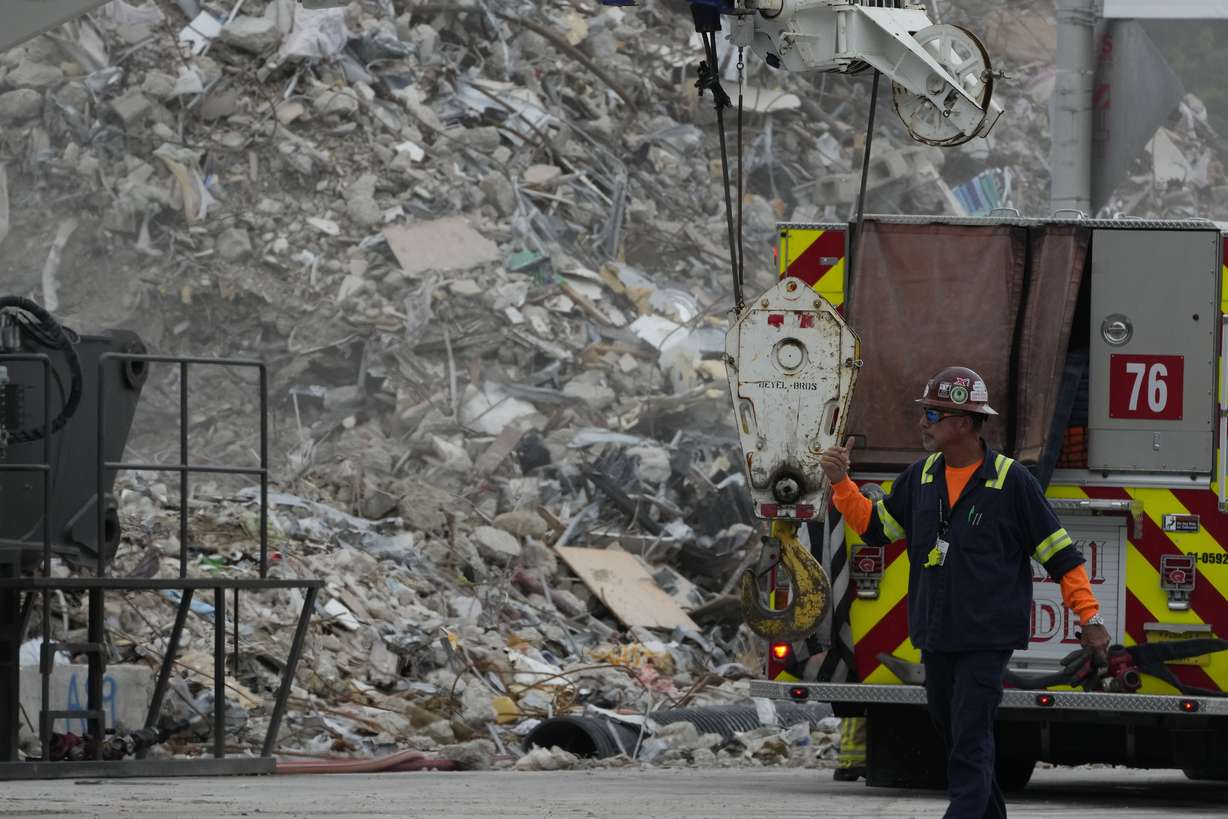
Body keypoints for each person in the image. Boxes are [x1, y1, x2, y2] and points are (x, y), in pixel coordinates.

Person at [819, 366, 1110, 817]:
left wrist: (1089, 619)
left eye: (931, 415)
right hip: (936, 634)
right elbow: (876, 528)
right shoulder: (921, 477)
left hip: (986, 639)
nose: (922, 423)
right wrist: (842, 483)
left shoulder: (1011, 483)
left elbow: (1062, 556)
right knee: (953, 730)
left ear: (965, 423)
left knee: (970, 734)